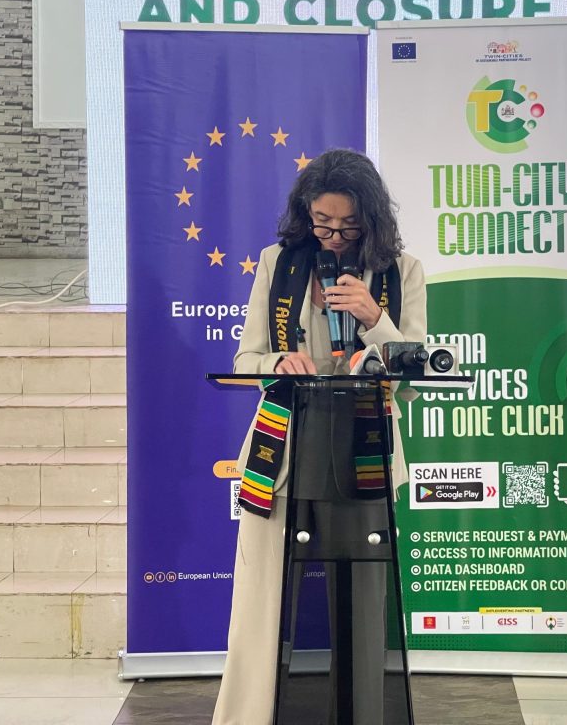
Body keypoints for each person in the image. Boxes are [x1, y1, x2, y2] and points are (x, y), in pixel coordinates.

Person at [212, 148, 426, 725]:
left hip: (365, 452)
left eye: (347, 226)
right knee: (260, 601)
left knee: (363, 607)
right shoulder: (277, 263)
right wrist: (278, 362)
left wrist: (374, 318)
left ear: (371, 220)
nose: (333, 236)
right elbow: (247, 358)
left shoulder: (402, 271)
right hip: (284, 449)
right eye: (322, 222)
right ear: (305, 213)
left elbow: (410, 380)